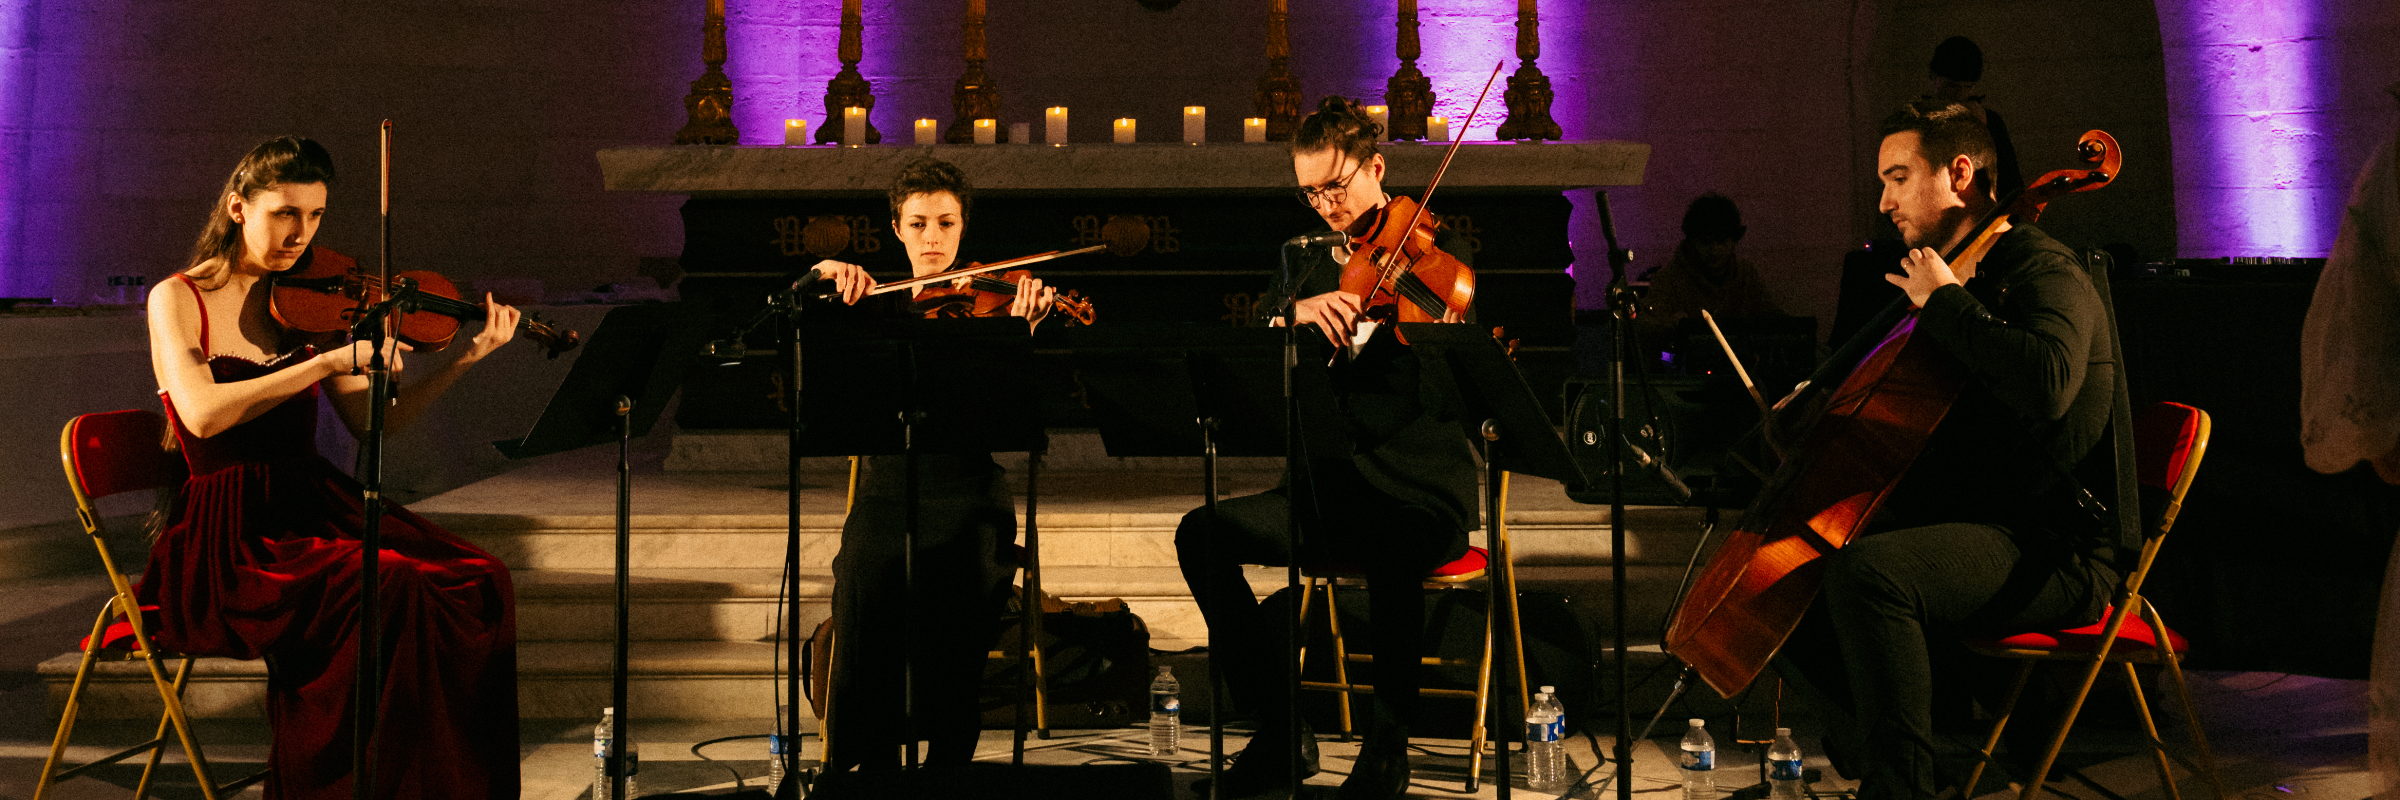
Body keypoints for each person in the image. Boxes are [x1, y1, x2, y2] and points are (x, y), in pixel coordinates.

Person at [139, 136, 522, 798]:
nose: (301, 233)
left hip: (311, 504)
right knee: (388, 584)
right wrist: (319, 362)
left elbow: (380, 423)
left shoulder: (312, 300)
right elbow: (200, 416)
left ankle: (440, 784)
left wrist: (465, 359)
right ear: (238, 207)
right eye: (285, 213)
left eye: (315, 216)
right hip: (232, 536)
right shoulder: (177, 298)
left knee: (480, 579)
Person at [1772, 99, 2128, 800]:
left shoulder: (2038, 265)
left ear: (1960, 173)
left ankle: (1900, 786)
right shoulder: (1968, 275)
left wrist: (1947, 306)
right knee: (1794, 569)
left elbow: (2049, 383)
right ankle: (1908, 762)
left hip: (2057, 547)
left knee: (1873, 575)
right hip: (1993, 522)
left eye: (1898, 177)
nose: (1884, 201)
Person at [1173, 96, 1478, 800]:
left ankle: (1387, 750)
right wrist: (1293, 314)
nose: (1326, 207)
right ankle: (1281, 730)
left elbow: (1449, 384)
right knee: (1202, 534)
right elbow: (1253, 344)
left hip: (1416, 488)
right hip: (1325, 483)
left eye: (1335, 187)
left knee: (1390, 546)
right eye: (1310, 192)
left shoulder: (1433, 259)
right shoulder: (1302, 260)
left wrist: (1426, 325)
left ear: (1375, 168)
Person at [805, 157, 1055, 770]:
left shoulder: (994, 305)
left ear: (964, 226)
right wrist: (818, 274)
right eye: (918, 224)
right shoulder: (871, 306)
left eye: (946, 223)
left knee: (960, 580)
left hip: (969, 492)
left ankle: (948, 760)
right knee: (864, 572)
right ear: (896, 228)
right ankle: (872, 763)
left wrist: (1022, 336)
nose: (933, 239)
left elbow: (1019, 415)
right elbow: (800, 323)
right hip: (887, 493)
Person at [1634, 192, 1787, 365]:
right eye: (1706, 243)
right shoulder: (1669, 280)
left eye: (1721, 241)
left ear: (1734, 240)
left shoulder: (1745, 274)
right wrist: (1671, 328)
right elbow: (1646, 330)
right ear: (1692, 241)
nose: (1714, 250)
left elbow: (1771, 318)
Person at [1927, 36, 2024, 203]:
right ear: (1934, 77)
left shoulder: (1989, 120)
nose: (1960, 95)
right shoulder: (1915, 121)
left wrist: (1982, 133)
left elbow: (2010, 185)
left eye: (1968, 87)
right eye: (1952, 86)